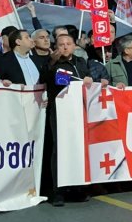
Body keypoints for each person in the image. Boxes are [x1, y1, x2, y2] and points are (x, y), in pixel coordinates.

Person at [40, 34, 93, 206]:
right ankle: (57, 190)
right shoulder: (52, 63)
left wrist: (91, 81)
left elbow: (89, 82)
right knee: (59, 149)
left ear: (74, 46)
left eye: (68, 44)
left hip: (79, 110)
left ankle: (77, 186)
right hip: (59, 111)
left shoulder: (80, 62)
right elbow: (46, 81)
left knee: (77, 148)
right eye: (61, 44)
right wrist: (51, 64)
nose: (64, 47)